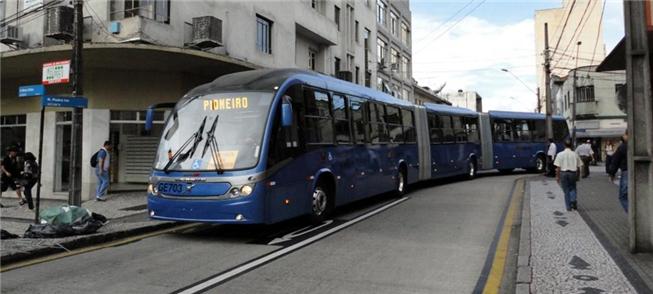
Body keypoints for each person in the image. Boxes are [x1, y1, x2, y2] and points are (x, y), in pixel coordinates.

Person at [555, 140, 583, 212]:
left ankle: (568, 207)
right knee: (573, 188)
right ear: (571, 146)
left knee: (566, 190)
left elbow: (558, 168)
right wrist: (578, 176)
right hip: (573, 173)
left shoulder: (560, 154)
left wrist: (557, 177)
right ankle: (573, 200)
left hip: (563, 173)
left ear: (564, 145)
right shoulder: (575, 154)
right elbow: (579, 167)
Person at [608, 132, 628, 213]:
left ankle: (633, 214)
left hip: (626, 172)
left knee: (623, 196)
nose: (623, 136)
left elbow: (615, 161)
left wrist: (612, 174)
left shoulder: (622, 147)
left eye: (625, 134)